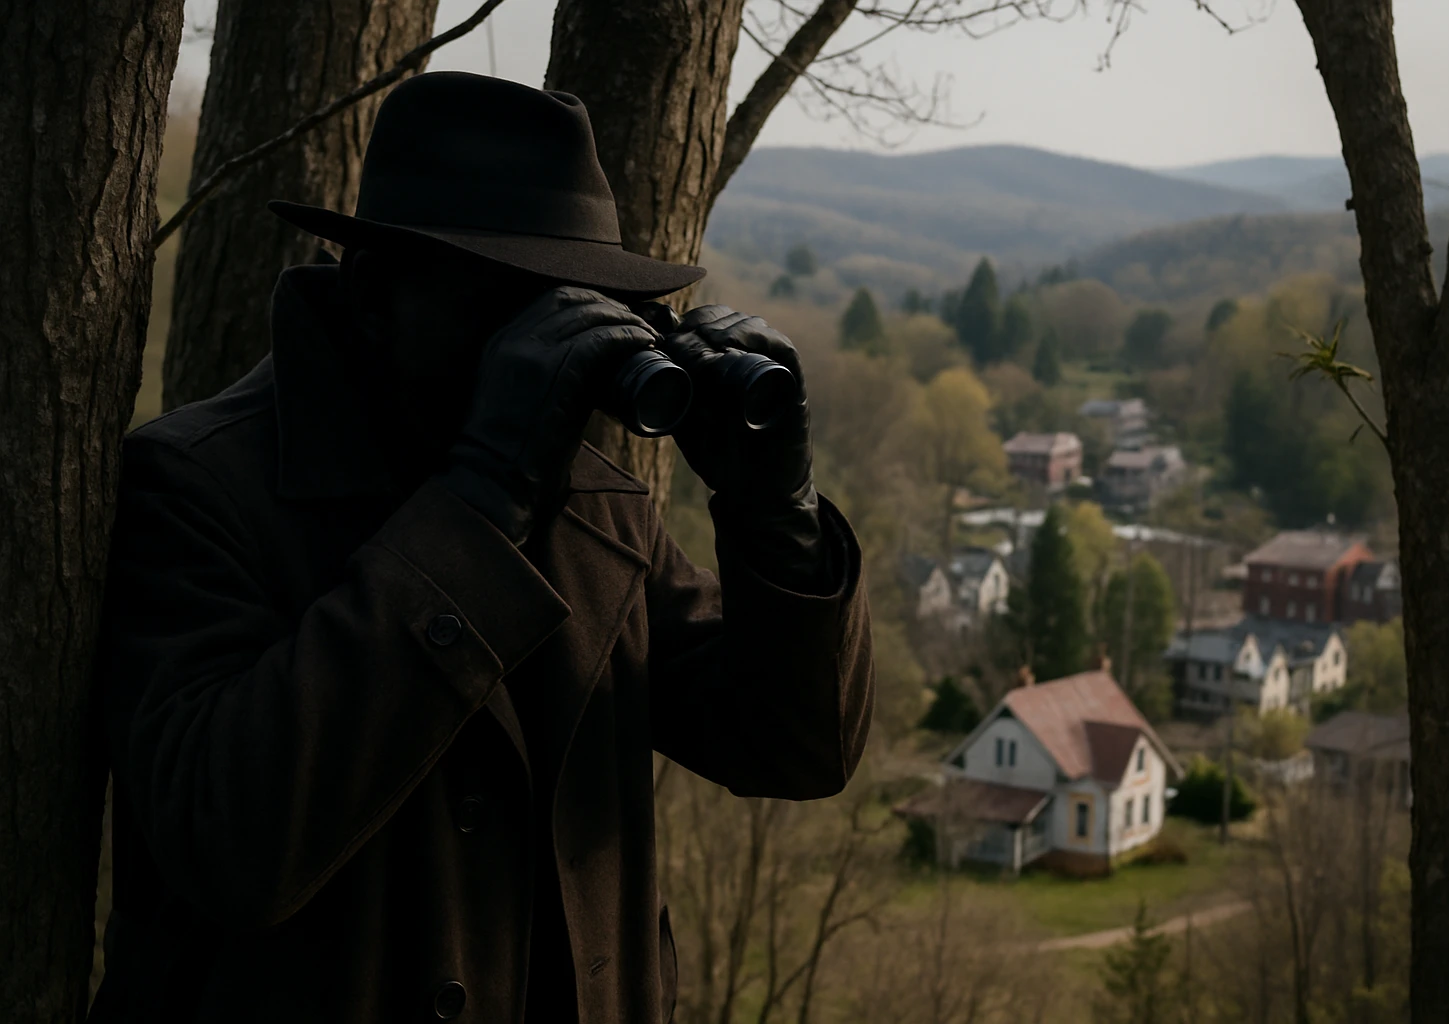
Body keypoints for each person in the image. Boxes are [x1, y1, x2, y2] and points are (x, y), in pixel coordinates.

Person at [90, 72, 872, 1024]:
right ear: (374, 290)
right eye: (508, 302)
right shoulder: (199, 487)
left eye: (574, 309)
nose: (548, 347)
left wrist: (775, 514)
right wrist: (482, 497)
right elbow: (228, 843)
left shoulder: (595, 508)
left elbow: (793, 747)